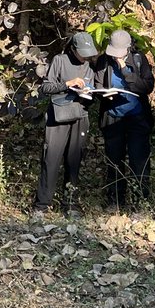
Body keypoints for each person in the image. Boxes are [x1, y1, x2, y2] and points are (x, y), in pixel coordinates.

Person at [33, 30, 99, 214]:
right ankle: (42, 205)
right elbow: (46, 87)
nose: (85, 58)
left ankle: (70, 204)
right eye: (82, 54)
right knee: (51, 160)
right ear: (73, 49)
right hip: (59, 116)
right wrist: (67, 84)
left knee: (74, 161)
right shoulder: (60, 60)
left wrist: (91, 93)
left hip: (80, 115)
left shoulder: (90, 66)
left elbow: (93, 89)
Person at [93, 29, 155, 210]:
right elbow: (98, 83)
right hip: (113, 117)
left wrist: (124, 70)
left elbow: (146, 86)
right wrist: (105, 95)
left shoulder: (139, 59)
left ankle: (140, 203)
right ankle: (114, 201)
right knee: (114, 161)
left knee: (139, 161)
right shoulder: (104, 60)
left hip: (137, 118)